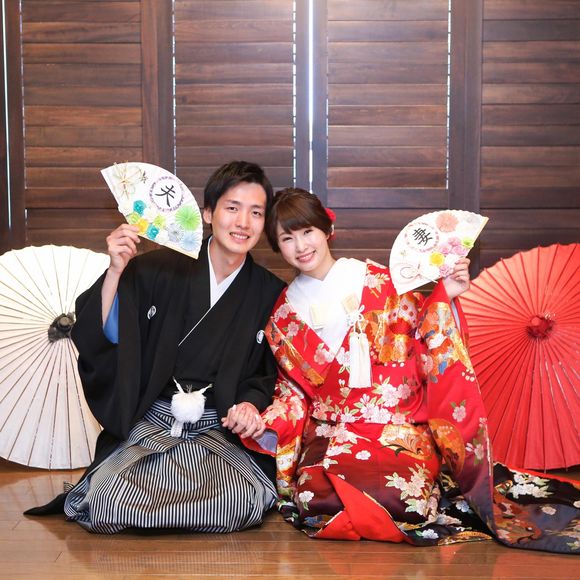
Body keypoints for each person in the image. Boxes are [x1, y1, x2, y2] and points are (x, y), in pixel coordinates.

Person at [245, 187, 579, 553]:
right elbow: (292, 393)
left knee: (405, 500)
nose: (301, 246)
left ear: (328, 229)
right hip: (331, 432)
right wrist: (268, 422)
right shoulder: (284, 316)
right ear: (277, 247)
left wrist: (446, 295)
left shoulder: (382, 281)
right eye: (287, 238)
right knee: (315, 501)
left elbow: (424, 340)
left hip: (396, 428)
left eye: (307, 231)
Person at [25, 161, 286, 534]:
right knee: (108, 500)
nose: (243, 222)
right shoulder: (156, 268)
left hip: (217, 430)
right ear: (208, 212)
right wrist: (116, 270)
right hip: (155, 421)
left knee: (237, 502)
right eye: (232, 208)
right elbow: (106, 335)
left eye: (256, 212)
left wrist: (248, 404)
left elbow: (266, 373)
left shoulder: (268, 292)